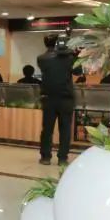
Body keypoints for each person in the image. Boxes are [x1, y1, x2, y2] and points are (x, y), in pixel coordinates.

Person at [37, 33, 76, 166]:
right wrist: (73, 53)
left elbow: (52, 60)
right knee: (65, 129)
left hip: (48, 99)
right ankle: (63, 158)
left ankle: (45, 157)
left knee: (47, 129)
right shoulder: (69, 58)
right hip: (66, 99)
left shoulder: (41, 58)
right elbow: (78, 71)